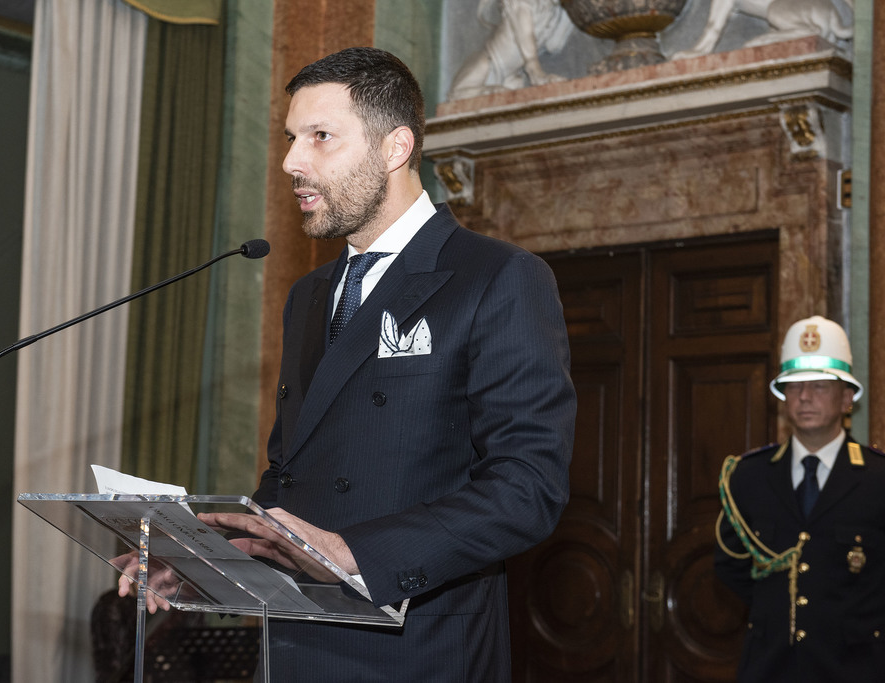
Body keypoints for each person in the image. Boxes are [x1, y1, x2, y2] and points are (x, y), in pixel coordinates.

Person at [123, 46, 576, 682]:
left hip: (418, 650)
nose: (291, 162)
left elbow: (527, 488)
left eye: (320, 137)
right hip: (294, 647)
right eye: (290, 138)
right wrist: (208, 561)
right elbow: (291, 478)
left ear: (395, 148)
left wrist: (354, 552)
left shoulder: (497, 277)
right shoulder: (309, 295)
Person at [714, 315, 885, 682]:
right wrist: (775, 608)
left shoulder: (878, 479)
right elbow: (730, 564)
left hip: (854, 668)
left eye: (819, 385)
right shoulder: (748, 476)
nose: (804, 396)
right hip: (769, 667)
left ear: (847, 398)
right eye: (793, 386)